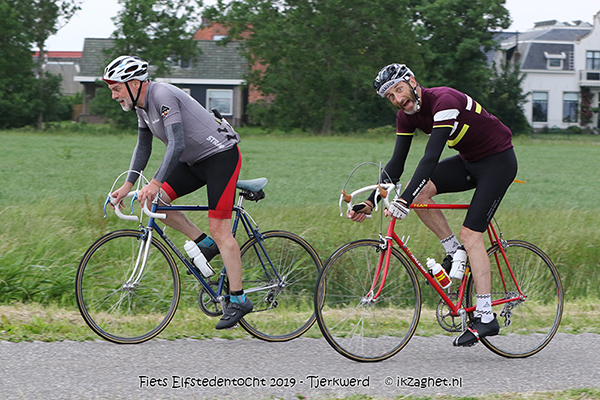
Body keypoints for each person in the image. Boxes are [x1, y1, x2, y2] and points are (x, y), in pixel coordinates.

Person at [348, 63, 517, 347]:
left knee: (471, 234)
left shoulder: (444, 101)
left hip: (498, 162)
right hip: (469, 161)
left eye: (399, 90)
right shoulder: (407, 116)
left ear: (412, 82)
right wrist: (371, 200)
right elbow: (396, 164)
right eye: (391, 97)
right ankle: (453, 252)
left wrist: (403, 200)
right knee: (423, 193)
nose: (398, 99)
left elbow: (429, 158)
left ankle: (486, 316)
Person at [103, 55, 252, 330]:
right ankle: (203, 243)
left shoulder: (161, 96)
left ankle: (239, 298)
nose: (113, 95)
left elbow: (177, 143)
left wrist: (156, 181)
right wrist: (128, 186)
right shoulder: (140, 106)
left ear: (134, 83)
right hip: (194, 163)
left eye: (116, 88)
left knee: (221, 230)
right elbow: (144, 147)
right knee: (156, 204)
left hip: (220, 157)